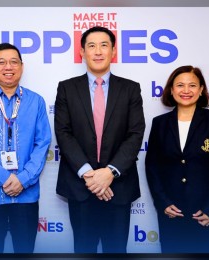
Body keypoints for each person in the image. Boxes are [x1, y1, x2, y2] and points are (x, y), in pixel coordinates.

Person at [54, 26, 145, 253]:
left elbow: (135, 134)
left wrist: (109, 172)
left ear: (113, 51)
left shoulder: (130, 89)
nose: (98, 51)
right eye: (91, 46)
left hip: (119, 187)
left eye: (104, 45)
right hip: (80, 187)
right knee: (83, 249)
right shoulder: (66, 88)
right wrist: (90, 175)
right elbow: (63, 133)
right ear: (82, 52)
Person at [0, 43, 51, 253]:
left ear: (22, 66)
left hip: (26, 195)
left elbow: (43, 144)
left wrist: (23, 179)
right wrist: (4, 178)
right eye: (1, 62)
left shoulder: (36, 101)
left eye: (14, 62)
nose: (8, 67)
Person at [145, 65, 209, 253]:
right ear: (171, 89)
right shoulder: (159, 124)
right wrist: (163, 203)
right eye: (180, 85)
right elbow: (152, 167)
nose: (186, 91)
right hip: (172, 214)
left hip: (208, 215)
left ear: (201, 89)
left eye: (192, 85)